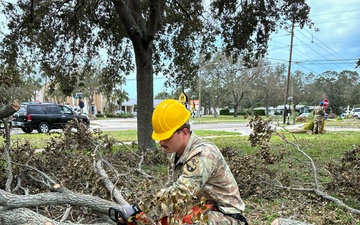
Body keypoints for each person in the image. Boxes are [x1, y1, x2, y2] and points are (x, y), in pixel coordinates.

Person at [110, 99, 247, 225]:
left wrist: (140, 208)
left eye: (166, 137)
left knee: (182, 222)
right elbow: (172, 196)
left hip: (225, 214)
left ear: (184, 132)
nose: (161, 142)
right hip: (200, 206)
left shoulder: (204, 153)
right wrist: (142, 217)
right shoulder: (175, 153)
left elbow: (181, 192)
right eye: (160, 137)